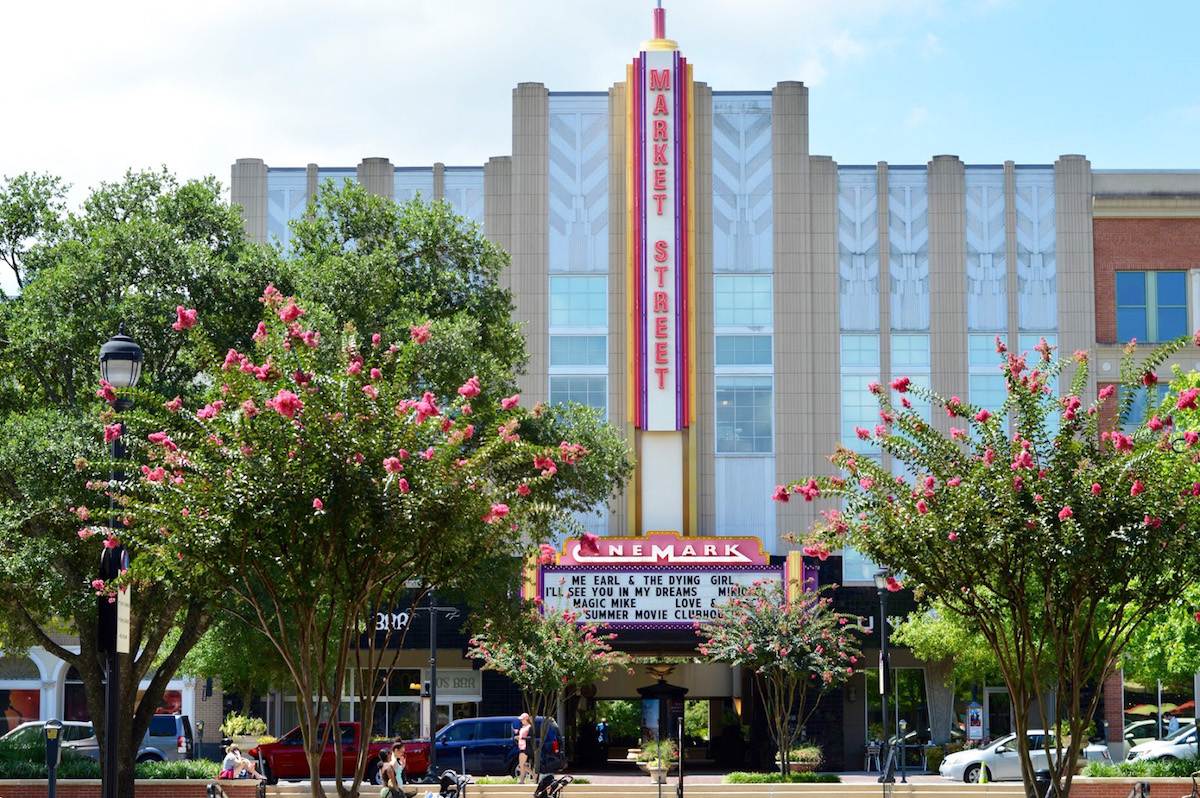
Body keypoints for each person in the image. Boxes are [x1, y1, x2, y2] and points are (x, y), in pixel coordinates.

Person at [515, 713, 533, 784]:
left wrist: (521, 737)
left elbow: (531, 738)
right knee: (522, 764)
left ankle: (533, 775)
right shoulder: (522, 727)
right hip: (521, 747)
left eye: (522, 719)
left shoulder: (529, 727)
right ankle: (522, 780)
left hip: (526, 747)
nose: (521, 720)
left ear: (526, 719)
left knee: (522, 764)